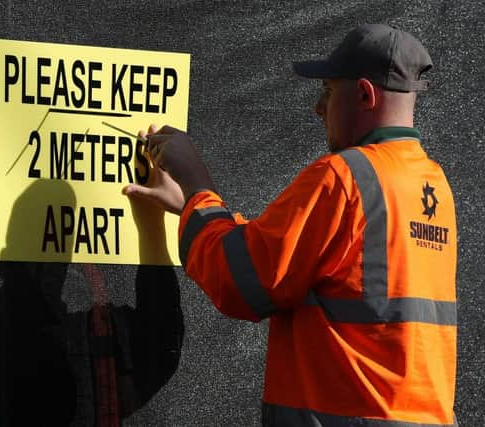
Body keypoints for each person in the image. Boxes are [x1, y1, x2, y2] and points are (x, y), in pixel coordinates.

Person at [123, 24, 458, 426]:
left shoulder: (344, 177)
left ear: (366, 95)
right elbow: (304, 259)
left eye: (330, 92)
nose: (319, 107)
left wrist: (197, 182)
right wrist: (190, 208)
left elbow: (241, 281)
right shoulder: (431, 184)